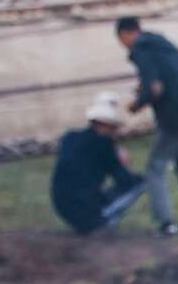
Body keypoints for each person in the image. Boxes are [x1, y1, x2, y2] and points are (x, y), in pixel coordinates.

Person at [116, 16, 178, 237]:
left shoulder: (141, 50)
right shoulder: (165, 45)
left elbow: (155, 88)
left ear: (127, 34)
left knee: (155, 167)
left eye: (122, 39)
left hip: (175, 117)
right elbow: (169, 77)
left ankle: (166, 223)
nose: (123, 45)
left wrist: (137, 104)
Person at [49, 93, 145, 235]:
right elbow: (124, 179)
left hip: (61, 204)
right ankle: (102, 222)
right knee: (141, 182)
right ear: (106, 125)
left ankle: (92, 221)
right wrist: (123, 163)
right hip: (86, 210)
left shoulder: (69, 137)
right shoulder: (104, 144)